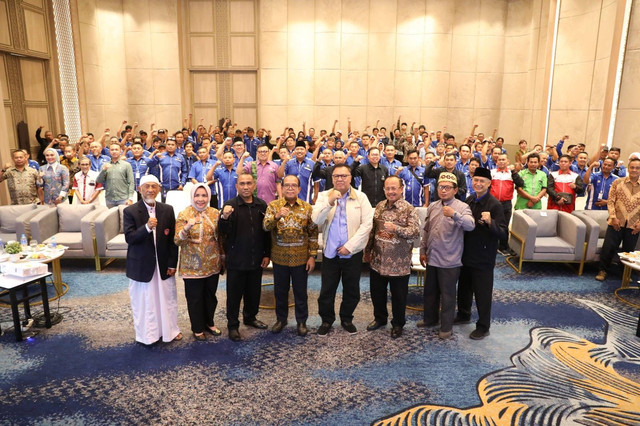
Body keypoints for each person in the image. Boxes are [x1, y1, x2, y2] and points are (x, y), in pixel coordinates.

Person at [312, 164, 374, 336]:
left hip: (351, 253)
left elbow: (367, 224)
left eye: (344, 176)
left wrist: (350, 247)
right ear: (332, 179)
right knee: (327, 289)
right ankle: (326, 320)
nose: (340, 179)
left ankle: (347, 318)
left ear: (350, 178)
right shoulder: (324, 196)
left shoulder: (360, 197)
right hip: (330, 252)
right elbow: (316, 220)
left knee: (352, 289)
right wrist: (329, 202)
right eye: (336, 176)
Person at [123, 175, 182, 345]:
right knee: (145, 301)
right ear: (140, 189)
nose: (150, 190)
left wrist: (172, 263)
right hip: (142, 265)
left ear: (159, 189)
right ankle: (148, 335)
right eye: (147, 186)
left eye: (154, 186)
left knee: (167, 300)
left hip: (163, 264)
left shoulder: (167, 209)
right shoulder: (130, 211)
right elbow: (130, 238)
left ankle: (170, 331)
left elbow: (173, 240)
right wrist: (147, 227)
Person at [419, 172, 475, 339]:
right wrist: (423, 250)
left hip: (450, 260)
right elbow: (427, 230)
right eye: (440, 187)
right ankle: (430, 319)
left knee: (448, 295)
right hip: (432, 257)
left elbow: (470, 226)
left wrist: (454, 215)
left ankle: (446, 327)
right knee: (430, 292)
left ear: (455, 190)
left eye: (447, 188)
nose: (443, 190)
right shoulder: (433, 206)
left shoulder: (462, 207)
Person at [364, 176, 420, 338]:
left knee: (399, 296)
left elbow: (415, 232)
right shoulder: (380, 206)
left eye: (394, 188)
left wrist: (396, 228)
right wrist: (367, 251)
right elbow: (373, 231)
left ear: (401, 189)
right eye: (387, 188)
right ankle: (380, 318)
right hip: (378, 260)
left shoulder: (409, 209)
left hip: (399, 262)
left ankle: (398, 324)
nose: (391, 191)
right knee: (377, 293)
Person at [455, 167, 507, 340]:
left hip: (483, 257)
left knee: (482, 293)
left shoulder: (495, 205)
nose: (478, 184)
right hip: (466, 253)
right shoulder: (469, 200)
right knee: (464, 288)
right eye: (475, 180)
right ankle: (464, 314)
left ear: (489, 184)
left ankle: (483, 326)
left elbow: (503, 233)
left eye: (482, 181)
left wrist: (490, 222)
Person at [263, 175, 318, 336]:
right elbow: (265, 227)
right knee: (280, 291)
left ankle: (301, 321)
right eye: (287, 185)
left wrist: (312, 255)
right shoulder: (274, 206)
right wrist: (276, 216)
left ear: (299, 189)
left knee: (301, 292)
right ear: (282, 187)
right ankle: (281, 319)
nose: (290, 188)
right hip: (279, 258)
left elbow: (313, 233)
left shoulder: (307, 208)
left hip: (301, 259)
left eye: (294, 185)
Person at [218, 173, 271, 342]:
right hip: (236, 259)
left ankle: (251, 317)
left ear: (254, 186)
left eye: (249, 183)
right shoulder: (229, 206)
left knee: (254, 292)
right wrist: (224, 218)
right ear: (236, 187)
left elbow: (266, 232)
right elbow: (222, 231)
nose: (246, 186)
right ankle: (233, 325)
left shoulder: (261, 205)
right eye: (242, 184)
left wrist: (267, 254)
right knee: (234, 295)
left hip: (256, 258)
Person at [175, 183, 223, 341]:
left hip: (212, 264)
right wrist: (187, 227)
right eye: (197, 195)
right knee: (195, 298)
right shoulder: (184, 214)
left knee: (210, 296)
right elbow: (177, 240)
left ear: (209, 197)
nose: (201, 199)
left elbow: (222, 236)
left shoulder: (215, 213)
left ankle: (209, 323)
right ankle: (197, 328)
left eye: (204, 195)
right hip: (192, 267)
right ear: (192, 196)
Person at [595, 158, 640, 282]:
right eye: (632, 167)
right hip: (616, 222)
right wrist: (613, 217)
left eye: (637, 168)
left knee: (628, 251)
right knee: (609, 248)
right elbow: (610, 201)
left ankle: (625, 273)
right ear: (628, 168)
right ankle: (602, 270)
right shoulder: (617, 182)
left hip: (633, 225)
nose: (634, 170)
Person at [96, 143, 135, 208]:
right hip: (109, 199)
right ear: (109, 152)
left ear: (120, 151)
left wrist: (130, 198)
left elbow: (131, 182)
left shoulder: (126, 165)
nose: (114, 151)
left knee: (123, 217)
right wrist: (104, 170)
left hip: (123, 198)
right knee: (111, 218)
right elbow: (99, 181)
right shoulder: (104, 165)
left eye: (116, 150)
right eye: (112, 150)